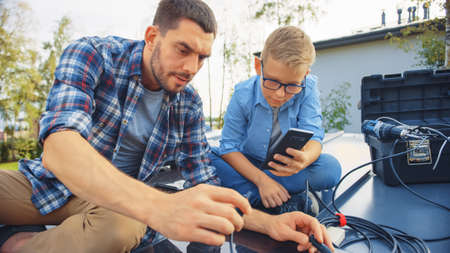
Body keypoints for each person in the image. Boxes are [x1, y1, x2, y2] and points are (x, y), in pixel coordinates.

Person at [0, 1, 333, 253]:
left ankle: (20, 245)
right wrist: (161, 207)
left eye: (202, 58)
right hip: (45, 185)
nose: (191, 68)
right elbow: (60, 148)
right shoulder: (93, 55)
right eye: (183, 50)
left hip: (117, 210)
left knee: (125, 226)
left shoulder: (188, 105)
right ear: (152, 37)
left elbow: (205, 182)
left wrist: (271, 224)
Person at [210, 26, 342, 215]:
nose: (280, 94)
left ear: (304, 76)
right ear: (258, 67)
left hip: (286, 169)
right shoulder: (242, 94)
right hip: (250, 163)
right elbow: (229, 147)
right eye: (272, 82)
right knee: (207, 158)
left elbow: (315, 136)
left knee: (330, 169)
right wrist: (262, 180)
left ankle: (253, 195)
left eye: (291, 86)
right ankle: (279, 196)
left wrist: (305, 159)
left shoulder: (308, 88)